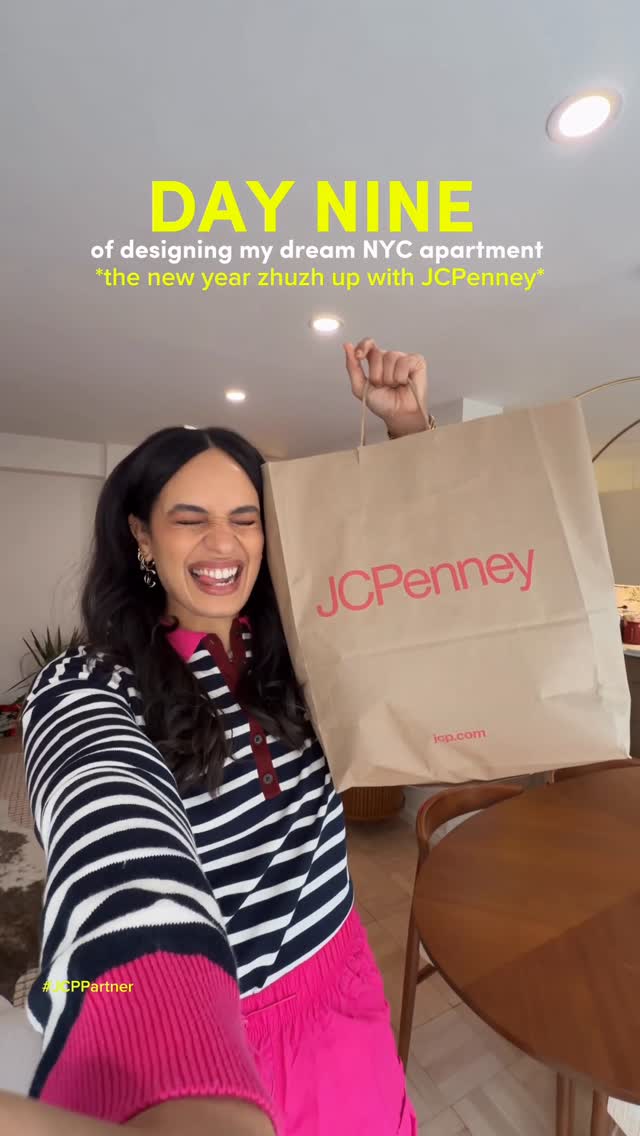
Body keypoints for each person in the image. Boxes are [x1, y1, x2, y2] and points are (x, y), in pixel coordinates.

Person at [0, 338, 433, 1136]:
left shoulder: (305, 648)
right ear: (141, 535)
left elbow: (425, 575)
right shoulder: (87, 685)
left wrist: (408, 430)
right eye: (189, 520)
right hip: (212, 1036)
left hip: (341, 985)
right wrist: (163, 1047)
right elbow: (112, 841)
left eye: (245, 519)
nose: (224, 545)